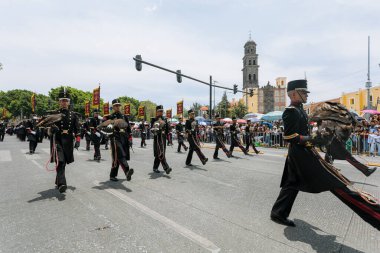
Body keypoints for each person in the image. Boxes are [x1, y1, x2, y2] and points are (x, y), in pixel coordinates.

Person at [271, 80, 380, 230]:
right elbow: (289, 136)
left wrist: (319, 136)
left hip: (303, 152)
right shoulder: (291, 111)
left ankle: (278, 213)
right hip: (300, 154)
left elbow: (306, 132)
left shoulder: (301, 110)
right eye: (303, 93)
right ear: (294, 94)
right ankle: (376, 215)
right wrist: (312, 139)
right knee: (336, 184)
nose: (306, 95)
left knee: (292, 183)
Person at [49, 87, 81, 193]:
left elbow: (77, 129)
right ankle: (62, 184)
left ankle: (58, 180)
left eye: (66, 100)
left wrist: (78, 140)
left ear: (68, 102)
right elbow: (47, 129)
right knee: (60, 161)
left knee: (63, 162)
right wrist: (51, 129)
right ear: (59, 102)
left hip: (68, 141)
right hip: (57, 139)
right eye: (62, 100)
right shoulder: (54, 113)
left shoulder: (74, 115)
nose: (64, 102)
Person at [102, 99, 134, 182]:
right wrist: (107, 133)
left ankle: (112, 175)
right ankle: (127, 170)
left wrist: (130, 139)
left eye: (118, 105)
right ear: (113, 107)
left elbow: (128, 129)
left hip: (124, 138)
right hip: (115, 138)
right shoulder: (110, 117)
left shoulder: (124, 116)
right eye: (115, 105)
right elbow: (104, 127)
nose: (117, 107)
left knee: (117, 157)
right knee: (120, 154)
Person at [151, 105, 172, 174]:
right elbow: (151, 129)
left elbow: (167, 130)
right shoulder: (154, 119)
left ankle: (155, 167)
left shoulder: (165, 119)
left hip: (163, 138)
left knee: (159, 154)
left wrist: (169, 126)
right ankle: (166, 168)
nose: (161, 112)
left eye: (162, 111)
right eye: (160, 111)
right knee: (160, 153)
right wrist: (156, 130)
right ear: (157, 112)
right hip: (157, 137)